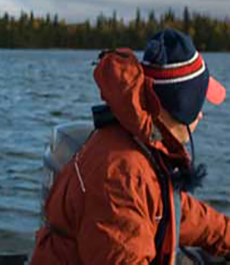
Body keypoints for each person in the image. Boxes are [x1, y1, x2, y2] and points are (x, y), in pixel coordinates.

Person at [32, 28, 230, 264]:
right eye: (199, 105)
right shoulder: (123, 174)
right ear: (183, 110)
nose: (202, 116)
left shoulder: (142, 145)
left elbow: (175, 211)